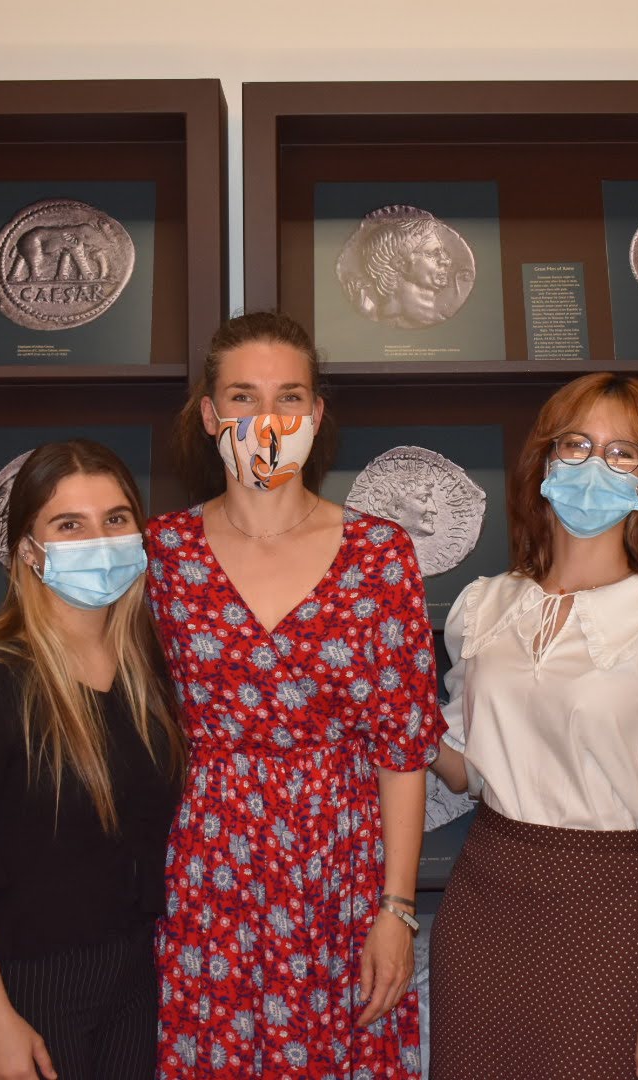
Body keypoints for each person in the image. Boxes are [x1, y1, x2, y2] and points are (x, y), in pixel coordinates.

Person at [428, 372, 638, 1080]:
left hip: (609, 906)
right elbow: (469, 770)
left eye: (622, 452)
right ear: (544, 463)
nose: (592, 464)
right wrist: (394, 711)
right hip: (484, 894)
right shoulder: (488, 608)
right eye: (575, 444)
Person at [148, 311, 441, 1077]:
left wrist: (396, 909)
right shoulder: (163, 552)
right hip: (210, 864)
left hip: (343, 869)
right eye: (242, 397)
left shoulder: (379, 553)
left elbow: (403, 747)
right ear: (211, 415)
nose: (266, 419)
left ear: (315, 414)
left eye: (289, 396)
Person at [0, 439, 182, 1080]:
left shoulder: (151, 676)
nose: (99, 540)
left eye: (115, 519)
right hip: (25, 989)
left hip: (135, 979)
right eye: (68, 524)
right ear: (27, 549)